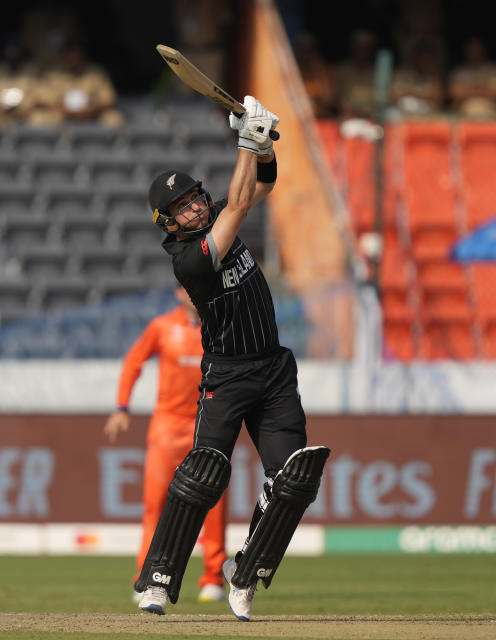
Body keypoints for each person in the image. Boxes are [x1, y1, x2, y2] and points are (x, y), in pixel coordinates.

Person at [132, 96, 329, 621]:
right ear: (168, 224)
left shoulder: (216, 214)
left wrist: (261, 147)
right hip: (228, 373)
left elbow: (260, 186)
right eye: (184, 209)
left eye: (196, 199)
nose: (197, 208)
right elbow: (239, 205)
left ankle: (245, 576)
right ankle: (156, 580)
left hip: (274, 369)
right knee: (203, 475)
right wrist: (246, 139)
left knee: (294, 480)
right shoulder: (188, 261)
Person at [105, 287, 227, 604]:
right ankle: (145, 578)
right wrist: (121, 407)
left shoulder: (221, 326)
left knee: (213, 506)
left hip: (208, 427)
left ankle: (212, 578)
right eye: (189, 289)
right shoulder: (161, 327)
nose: (194, 295)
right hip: (167, 427)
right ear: (178, 293)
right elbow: (133, 362)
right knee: (155, 505)